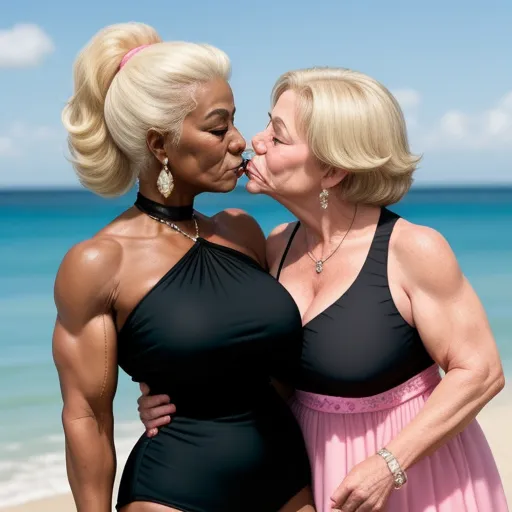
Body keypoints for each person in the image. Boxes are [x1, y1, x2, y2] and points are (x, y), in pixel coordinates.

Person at [138, 67, 508, 511]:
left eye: (277, 136)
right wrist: (171, 400)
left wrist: (388, 463)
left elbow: (480, 372)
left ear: (331, 170)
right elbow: (236, 355)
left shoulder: (412, 249)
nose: (253, 141)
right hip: (309, 474)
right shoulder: (274, 247)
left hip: (416, 478)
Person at [52, 22, 314, 512]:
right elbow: (87, 414)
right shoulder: (99, 263)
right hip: (176, 491)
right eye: (218, 128)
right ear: (159, 145)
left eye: (235, 121)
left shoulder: (241, 231)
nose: (240, 141)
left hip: (288, 481)